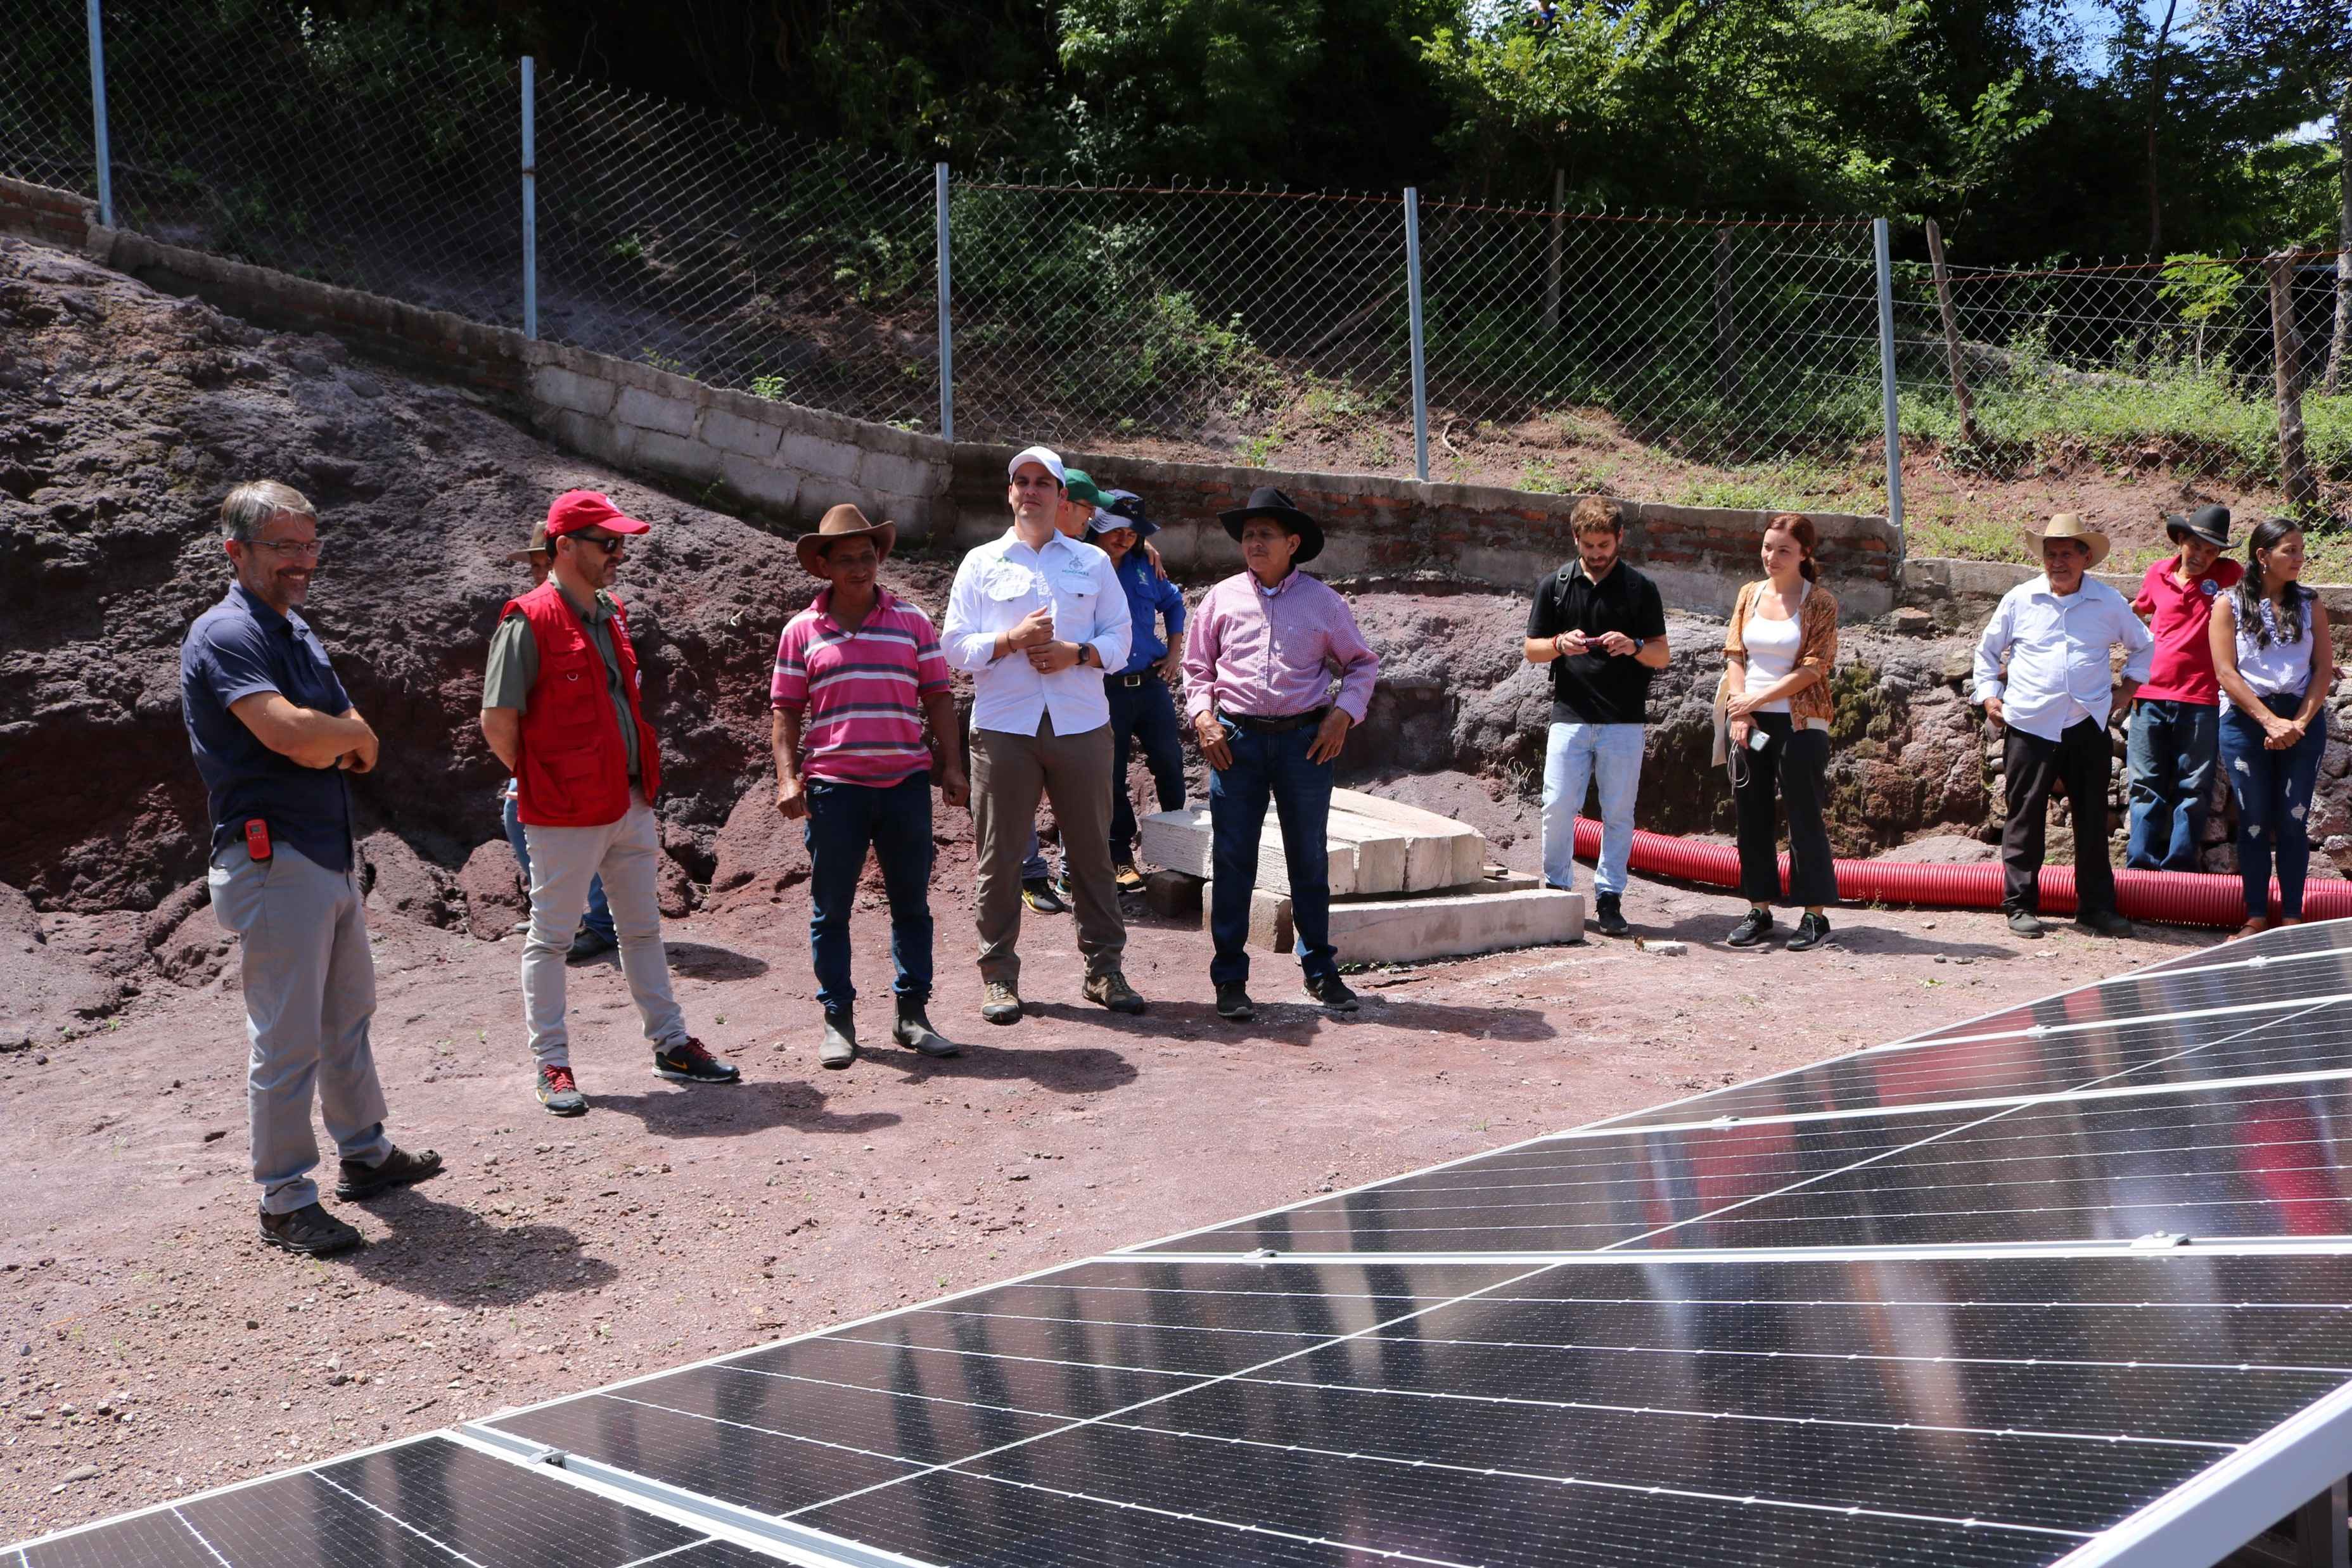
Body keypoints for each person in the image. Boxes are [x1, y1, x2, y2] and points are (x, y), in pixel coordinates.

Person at [181, 480, 442, 1256]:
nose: (303, 560)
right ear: (238, 552)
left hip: (322, 853)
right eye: (284, 547)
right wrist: (331, 735)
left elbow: (362, 738)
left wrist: (331, 735)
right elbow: (294, 735)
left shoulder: (293, 631)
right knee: (287, 1037)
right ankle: (285, 1199)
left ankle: (364, 1155)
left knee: (344, 1020)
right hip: (273, 858)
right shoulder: (226, 633)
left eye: (308, 544)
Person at [480, 490, 742, 1114]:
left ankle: (672, 1045)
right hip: (563, 810)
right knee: (551, 939)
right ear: (564, 546)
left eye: (620, 542)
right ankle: (553, 1064)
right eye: (607, 543)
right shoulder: (526, 619)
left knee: (642, 929)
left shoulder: (610, 611)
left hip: (627, 800)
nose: (619, 553)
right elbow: (497, 721)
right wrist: (544, 779)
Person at [941, 446, 1147, 1023]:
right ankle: (999, 976)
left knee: (1091, 855)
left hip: (1081, 725)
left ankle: (1104, 970)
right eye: (1021, 482)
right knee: (1000, 857)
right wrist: (1010, 640)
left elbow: (1122, 640)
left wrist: (1074, 653)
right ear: (1010, 493)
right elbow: (954, 647)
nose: (1031, 491)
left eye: (1043, 483)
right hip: (1005, 728)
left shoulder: (1092, 563)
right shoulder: (981, 563)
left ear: (1062, 498)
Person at [771, 505, 968, 1068]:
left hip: (905, 784)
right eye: (846, 559)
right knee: (831, 908)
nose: (860, 568)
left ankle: (913, 1015)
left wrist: (950, 767)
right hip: (836, 790)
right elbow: (784, 712)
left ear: (879, 559)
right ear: (824, 566)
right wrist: (788, 778)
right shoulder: (801, 631)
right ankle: (838, 1018)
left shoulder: (912, 622)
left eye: (868, 556)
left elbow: (937, 698)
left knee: (912, 904)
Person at [1184, 487, 1381, 1021]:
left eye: (1265, 534)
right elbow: (1196, 668)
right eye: (1248, 535)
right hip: (1234, 743)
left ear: (1293, 543)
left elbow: (1362, 664)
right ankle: (1230, 978)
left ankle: (1319, 969)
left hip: (1305, 743)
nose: (1253, 542)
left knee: (1309, 857)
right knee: (1231, 860)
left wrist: (1343, 714)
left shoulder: (1325, 603)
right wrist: (1204, 718)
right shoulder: (1221, 599)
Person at [1972, 514, 2153, 940]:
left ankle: (2095, 909)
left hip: (2086, 725)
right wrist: (1988, 694)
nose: (2058, 562)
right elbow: (1987, 651)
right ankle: (2020, 904)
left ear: (2085, 557)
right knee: (2024, 816)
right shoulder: (2020, 599)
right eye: (2050, 554)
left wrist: (2126, 691)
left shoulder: (2108, 602)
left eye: (2067, 553)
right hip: (2030, 723)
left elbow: (2144, 645)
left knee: (2092, 819)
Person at [1522, 496, 1670, 938]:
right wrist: (1559, 644)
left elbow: (1662, 654)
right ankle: (1558, 890)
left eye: (1604, 544)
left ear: (1620, 537)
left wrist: (1635, 646)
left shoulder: (1640, 589)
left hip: (1624, 720)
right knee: (1557, 805)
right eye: (1588, 544)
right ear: (1575, 538)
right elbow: (1531, 648)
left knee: (1618, 813)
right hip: (1569, 714)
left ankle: (1609, 897)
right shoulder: (1556, 585)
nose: (1596, 553)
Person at [1717, 513, 1840, 952]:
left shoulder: (1820, 601)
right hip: (1750, 719)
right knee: (1750, 812)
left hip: (1800, 722)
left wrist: (1757, 698)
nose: (1772, 556)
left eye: (1783, 549)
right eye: (1768, 546)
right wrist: (1740, 708)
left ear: (1805, 553)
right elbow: (1735, 652)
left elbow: (1814, 668)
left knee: (1803, 813)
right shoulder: (1748, 594)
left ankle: (1814, 915)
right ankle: (1760, 908)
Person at [498, 521, 618, 959]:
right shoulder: (531, 613)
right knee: (516, 814)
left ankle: (600, 922)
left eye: (541, 563)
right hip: (544, 748)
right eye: (532, 565)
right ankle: (557, 909)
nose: (535, 572)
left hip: (583, 750)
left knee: (597, 835)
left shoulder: (592, 611)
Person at [2211, 518, 2334, 935]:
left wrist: (2298, 721)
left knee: (2294, 817)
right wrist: (2267, 720)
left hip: (2301, 720)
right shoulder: (2228, 604)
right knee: (2254, 818)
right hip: (2247, 721)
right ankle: (2256, 915)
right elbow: (2226, 672)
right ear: (2262, 556)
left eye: (2301, 549)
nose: (2299, 558)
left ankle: (2294, 917)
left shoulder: (2310, 603)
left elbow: (2323, 669)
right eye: (2290, 550)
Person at [2126, 504, 2240, 872]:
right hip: (2149, 695)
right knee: (2145, 784)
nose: (2203, 557)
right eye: (2196, 546)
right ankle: (2140, 864)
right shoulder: (2157, 573)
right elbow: (2137, 611)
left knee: (2193, 787)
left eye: (2212, 551)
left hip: (2201, 698)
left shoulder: (2230, 576)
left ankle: (2178, 870)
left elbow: (2266, 600)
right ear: (2180, 540)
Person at [1091, 488, 1188, 891]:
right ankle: (1119, 857)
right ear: (1096, 527)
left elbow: (1175, 603)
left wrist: (1174, 652)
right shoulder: (1084, 566)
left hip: (1149, 686)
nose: (1123, 539)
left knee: (1168, 761)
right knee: (1109, 775)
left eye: (1132, 533)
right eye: (1115, 530)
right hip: (1103, 689)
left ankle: (1180, 847)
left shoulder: (1145, 567)